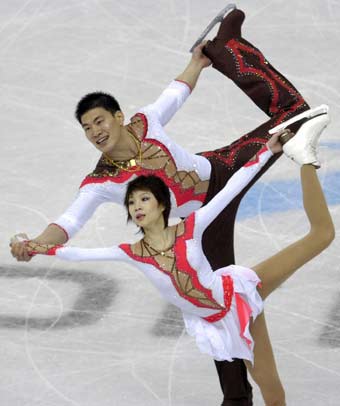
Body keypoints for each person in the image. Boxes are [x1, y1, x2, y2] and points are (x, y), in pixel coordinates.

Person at [10, 5, 327, 405]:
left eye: (99, 121)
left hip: (221, 170)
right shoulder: (100, 182)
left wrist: (200, 60)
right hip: (199, 224)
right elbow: (68, 222)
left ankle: (228, 46)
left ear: (118, 117)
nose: (95, 133)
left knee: (294, 117)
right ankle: (236, 396)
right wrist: (39, 242)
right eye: (87, 129)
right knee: (217, 308)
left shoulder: (145, 122)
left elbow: (177, 89)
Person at [21, 117, 335, 406]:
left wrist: (267, 152)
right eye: (131, 202)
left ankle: (305, 158)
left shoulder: (191, 228)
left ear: (161, 205)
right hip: (222, 322)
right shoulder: (131, 253)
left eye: (144, 199)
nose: (137, 206)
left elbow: (231, 188)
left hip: (239, 295)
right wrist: (33, 246)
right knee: (274, 395)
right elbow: (75, 253)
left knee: (322, 235)